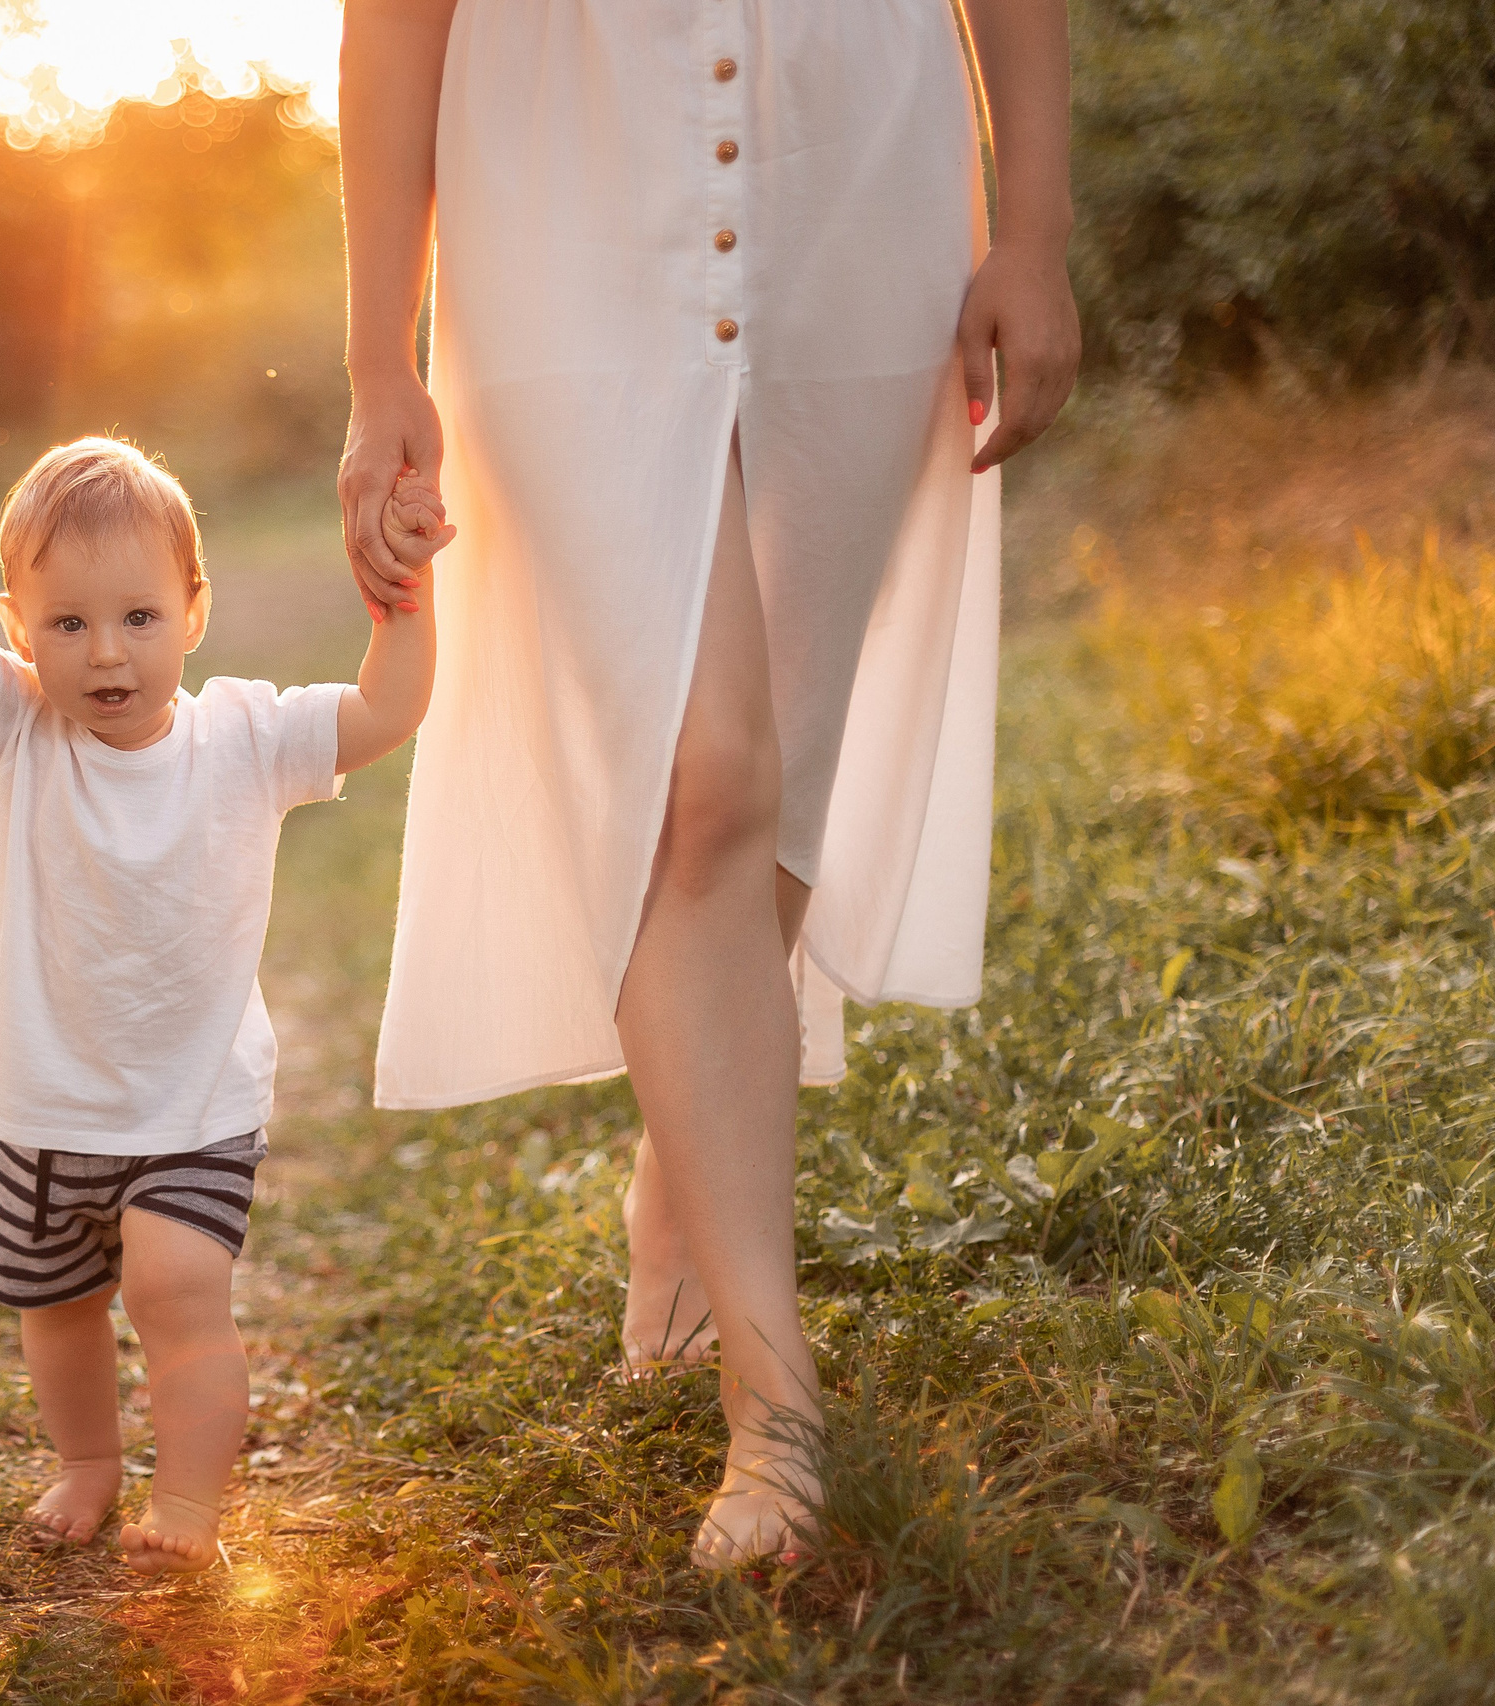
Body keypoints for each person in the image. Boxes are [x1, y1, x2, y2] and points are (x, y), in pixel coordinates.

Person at [337, 0, 1081, 1567]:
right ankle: (773, 1403)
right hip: (557, 175)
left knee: (782, 758)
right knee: (704, 772)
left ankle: (685, 1186)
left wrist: (1035, 234)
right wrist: (374, 356)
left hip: (859, 162)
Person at [0, 401, 445, 1572]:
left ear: (193, 610)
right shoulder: (17, 727)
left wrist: (405, 598)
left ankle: (186, 1503)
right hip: (42, 1111)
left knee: (177, 1290)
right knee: (57, 1308)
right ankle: (87, 1460)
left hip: (191, 1109)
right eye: (66, 622)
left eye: (138, 616)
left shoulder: (246, 735)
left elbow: (387, 710)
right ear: (20, 630)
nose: (106, 652)